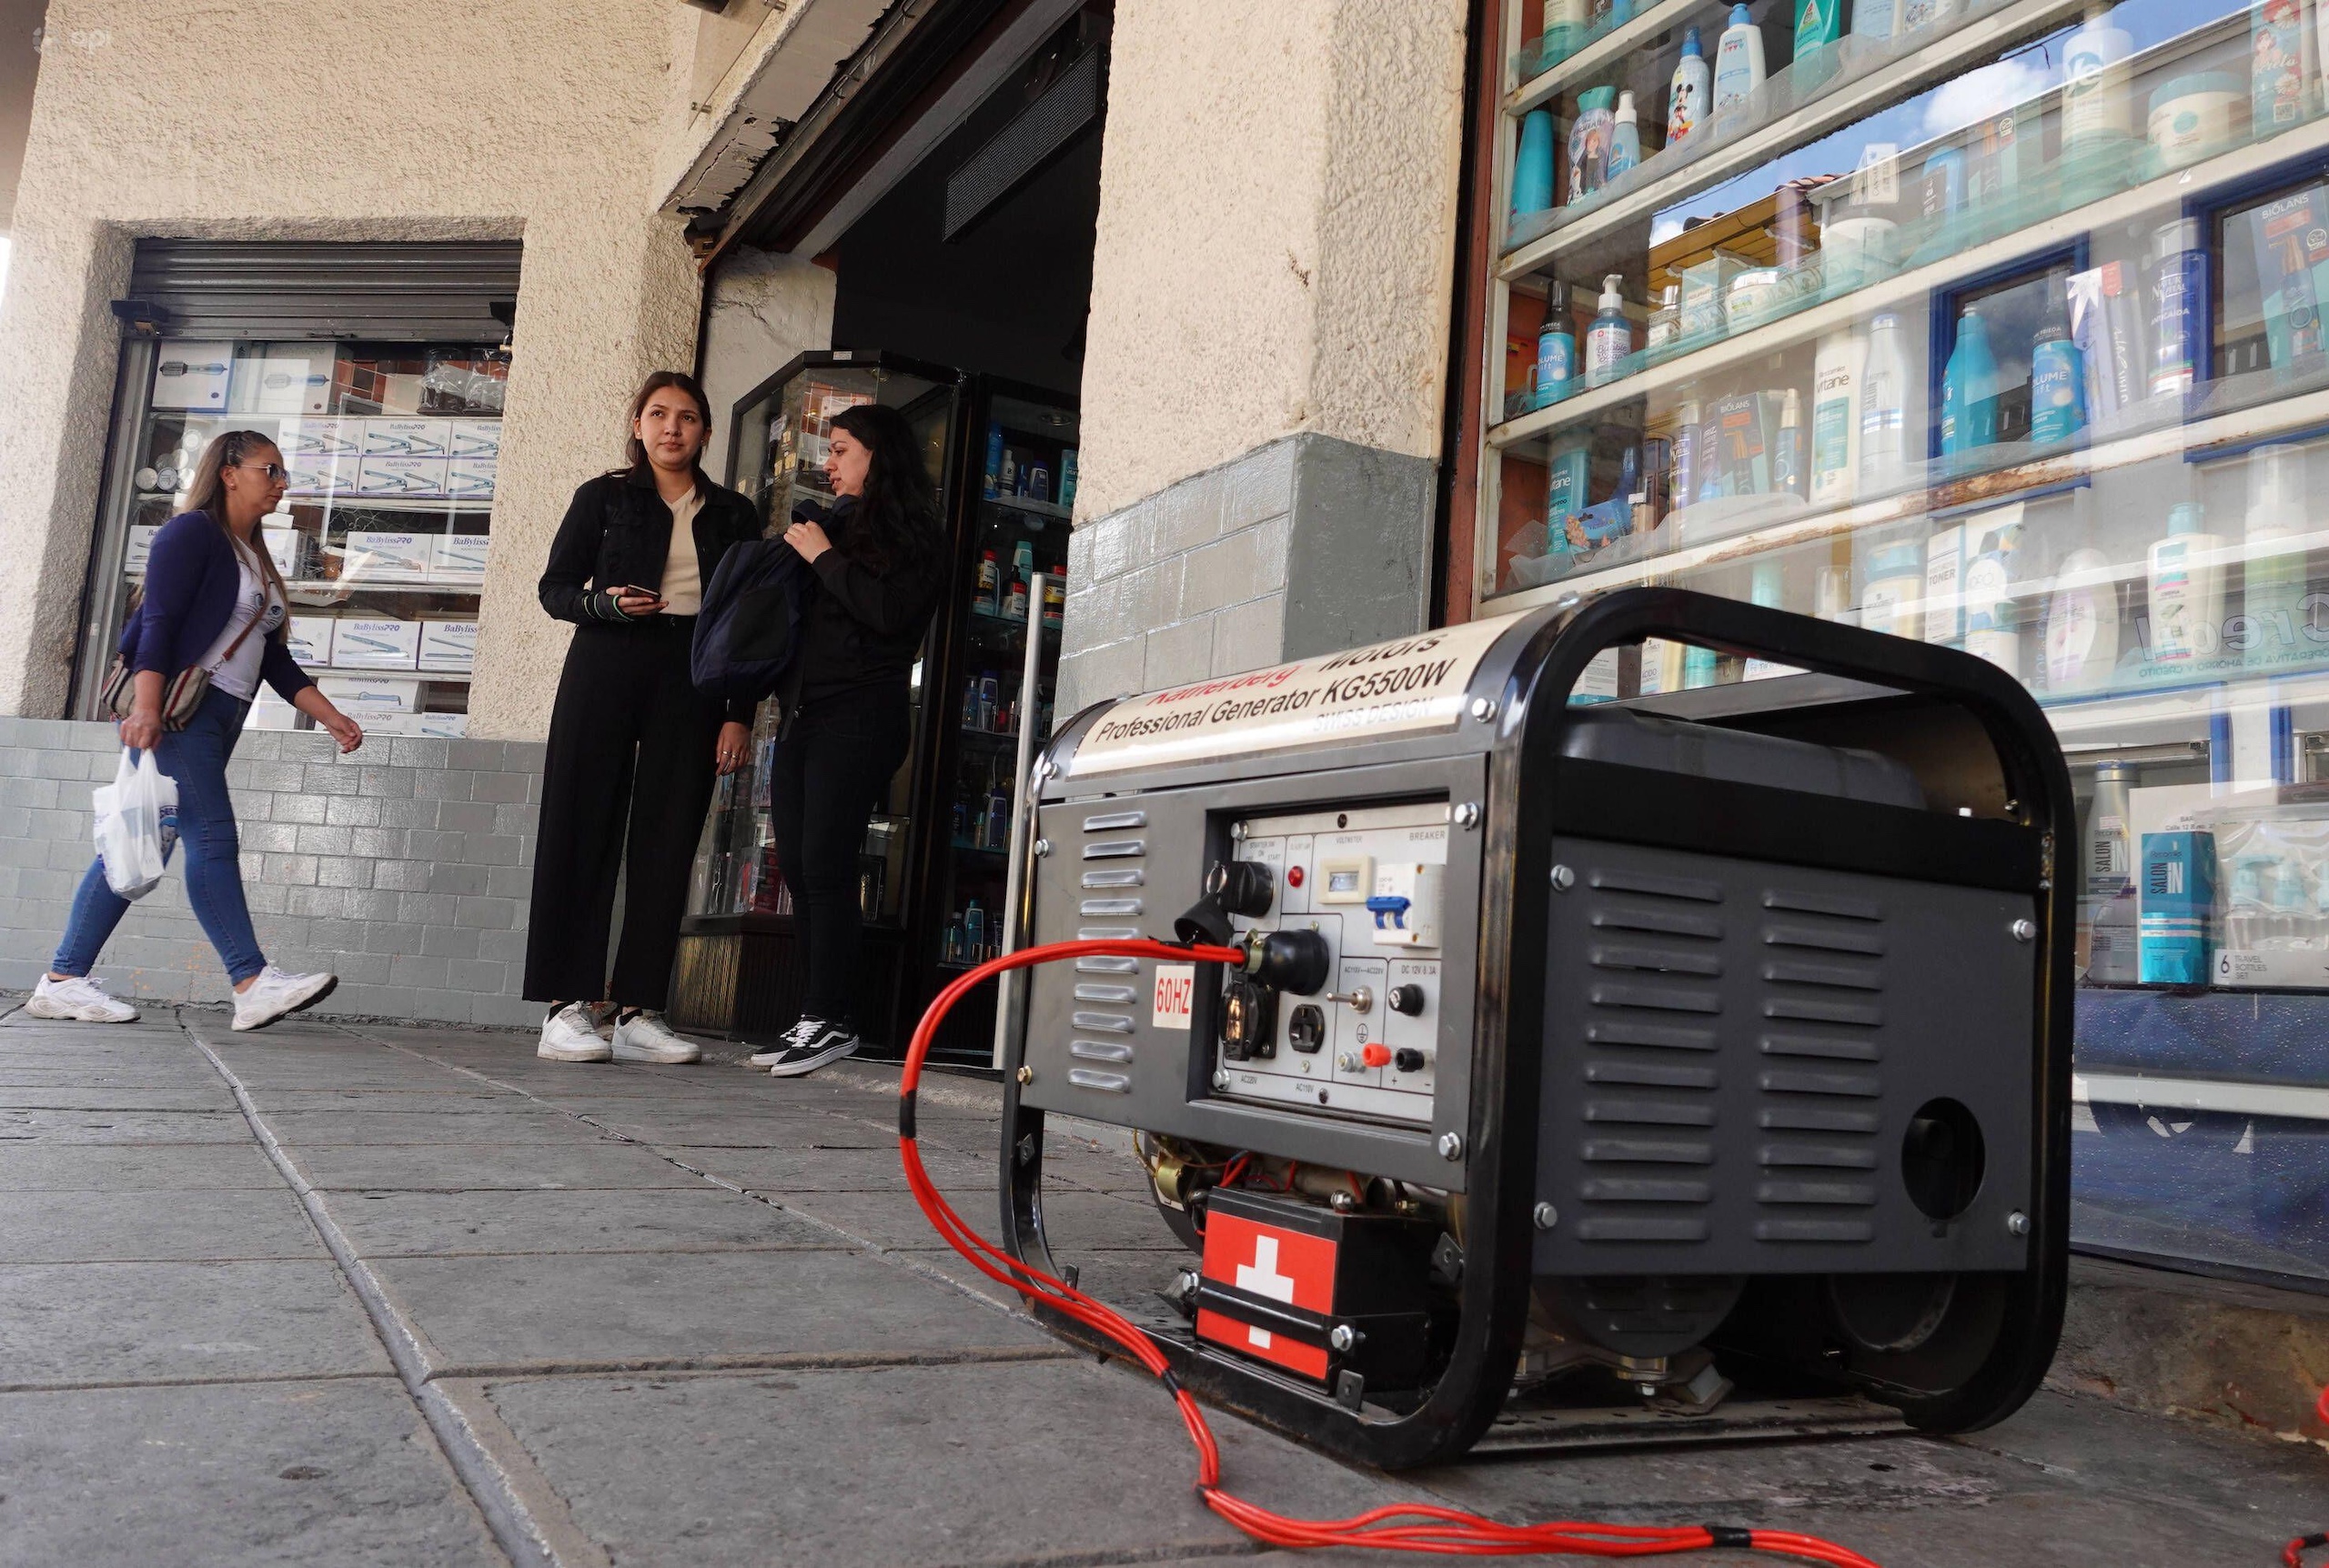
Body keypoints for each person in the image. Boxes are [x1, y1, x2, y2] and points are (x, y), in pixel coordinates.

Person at [27, 429, 361, 1031]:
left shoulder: (254, 555)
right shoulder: (191, 534)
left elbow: (274, 659)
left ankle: (63, 980)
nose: (281, 482)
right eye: (269, 470)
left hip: (221, 714)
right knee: (211, 836)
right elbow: (158, 621)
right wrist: (146, 708)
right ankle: (251, 981)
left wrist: (330, 716)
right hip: (182, 713)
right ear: (229, 473)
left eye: (283, 472)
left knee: (141, 841)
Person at [525, 371, 761, 1064]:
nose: (671, 428)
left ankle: (638, 1012)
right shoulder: (602, 498)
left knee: (669, 833)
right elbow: (554, 589)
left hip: (692, 671)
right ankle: (565, 1007)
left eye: (686, 417)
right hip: (605, 659)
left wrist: (738, 714)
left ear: (706, 431)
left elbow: (748, 620)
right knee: (581, 821)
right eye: (658, 414)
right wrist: (604, 604)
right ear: (638, 425)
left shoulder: (733, 514)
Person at [751, 402, 947, 1077]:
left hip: (862, 715)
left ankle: (832, 1019)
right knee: (799, 867)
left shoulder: (915, 533)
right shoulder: (831, 525)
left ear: (876, 455)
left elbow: (889, 615)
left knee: (827, 866)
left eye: (840, 450)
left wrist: (825, 559)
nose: (827, 463)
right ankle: (814, 1013)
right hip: (803, 716)